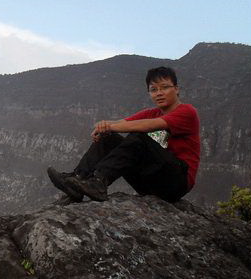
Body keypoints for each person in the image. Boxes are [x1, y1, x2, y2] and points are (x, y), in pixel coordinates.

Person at [48, 66, 200, 203]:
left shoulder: (187, 112)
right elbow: (121, 122)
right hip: (149, 182)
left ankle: (99, 181)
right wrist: (104, 127)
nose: (159, 93)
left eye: (164, 87)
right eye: (153, 89)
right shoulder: (151, 113)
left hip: (176, 182)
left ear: (177, 89)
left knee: (139, 136)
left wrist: (112, 127)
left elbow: (148, 125)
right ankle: (77, 180)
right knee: (109, 138)